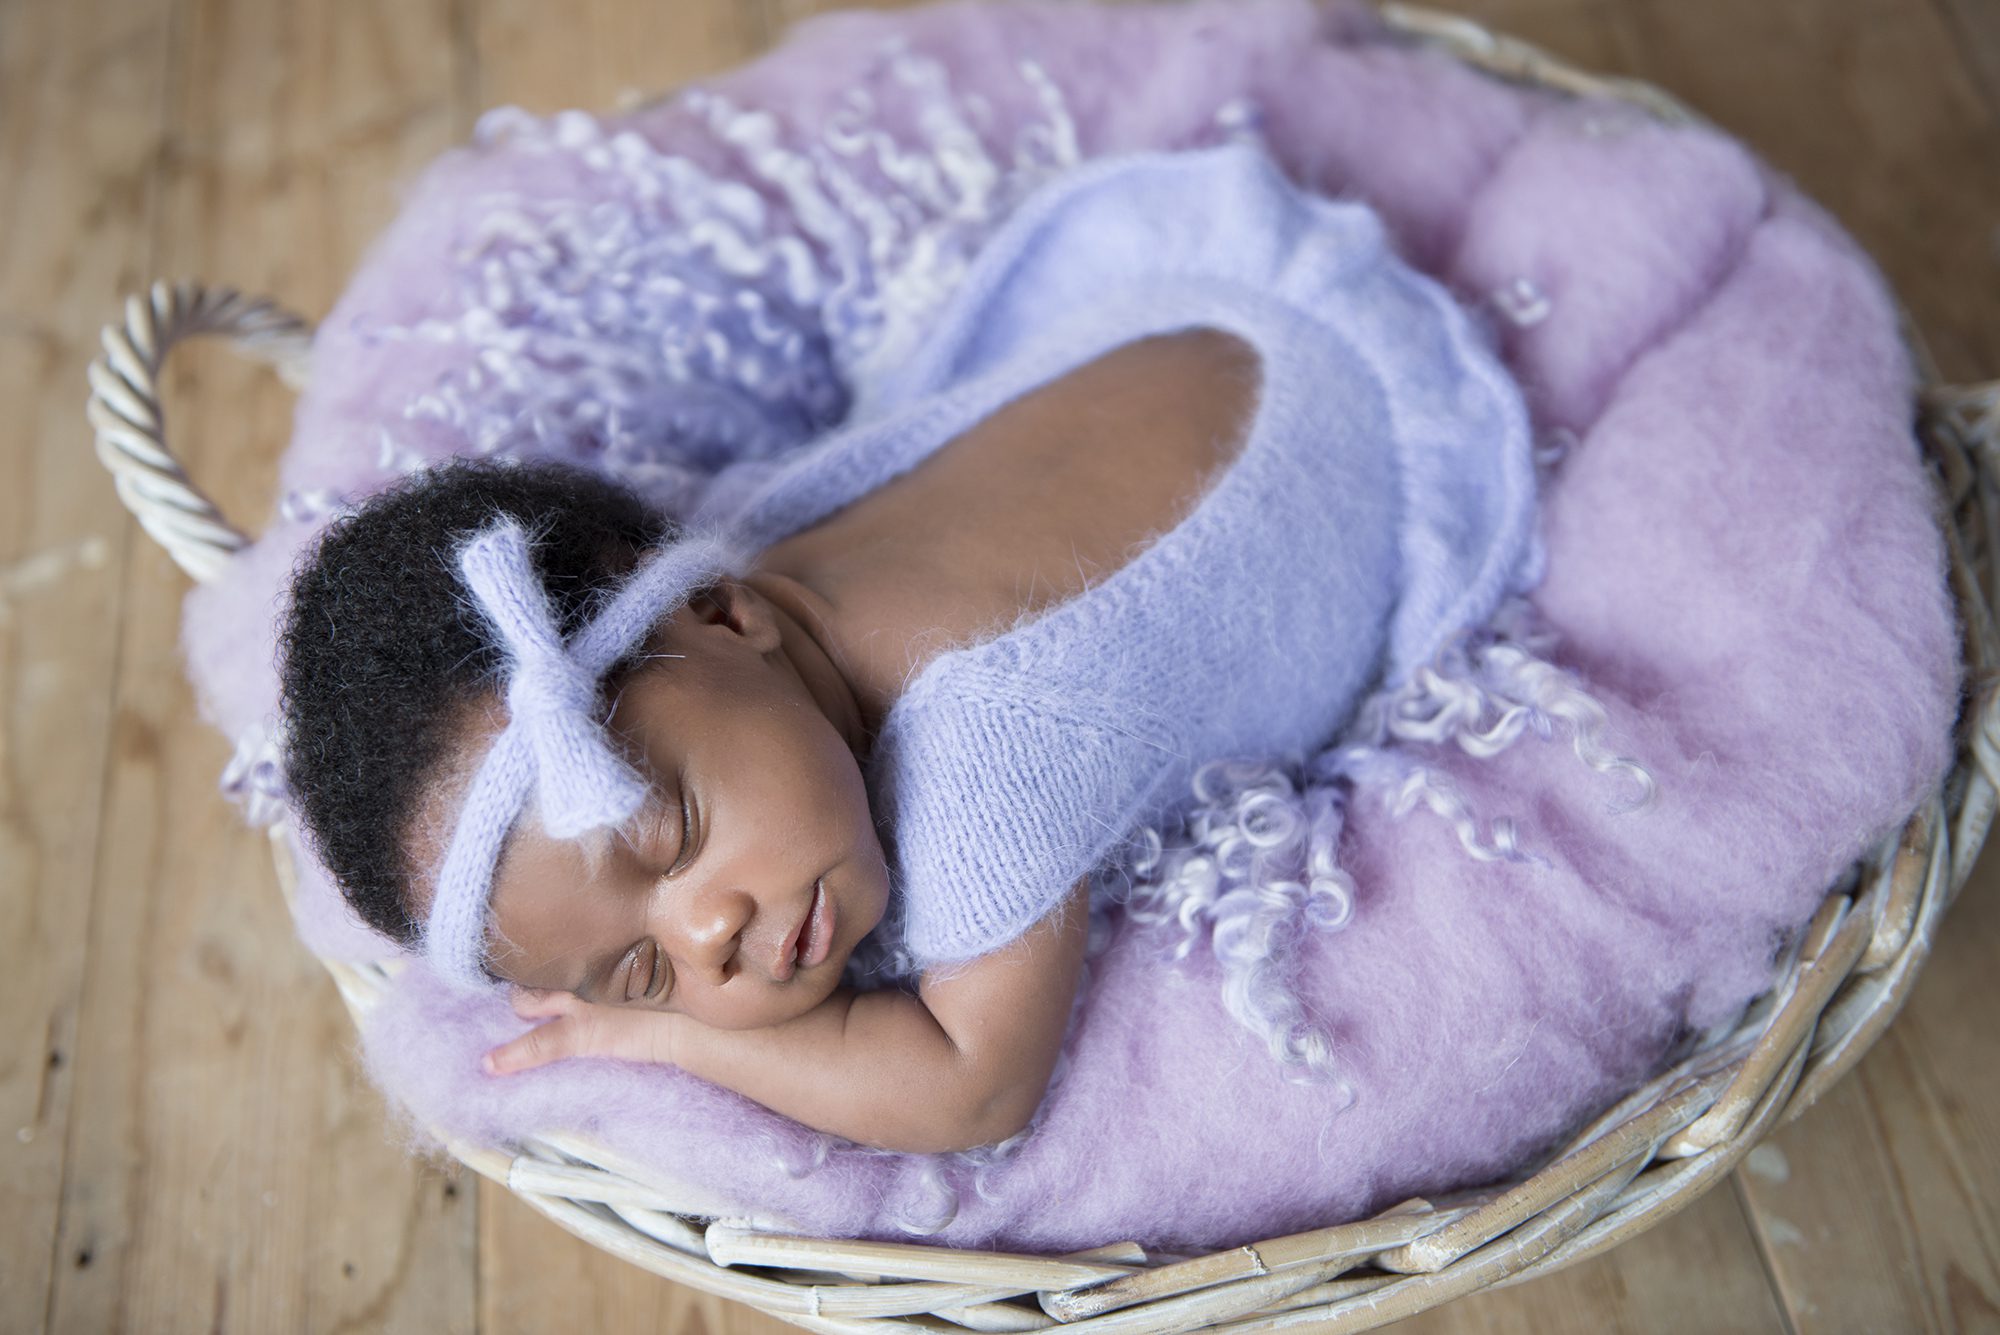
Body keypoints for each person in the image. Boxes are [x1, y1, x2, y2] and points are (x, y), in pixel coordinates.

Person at [274, 141, 1542, 1154]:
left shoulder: (985, 759)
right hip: (1205, 329)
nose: (709, 929)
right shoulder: (734, 571)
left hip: (1360, 448)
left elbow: (969, 1095)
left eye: (672, 836)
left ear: (722, 617)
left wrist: (662, 1040)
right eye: (644, 972)